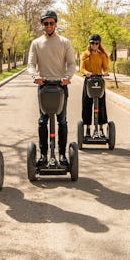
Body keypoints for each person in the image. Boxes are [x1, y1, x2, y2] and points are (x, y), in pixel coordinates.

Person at [27, 10, 78, 166]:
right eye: (45, 23)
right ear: (42, 25)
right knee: (43, 121)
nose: (48, 25)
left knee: (62, 120)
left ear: (56, 24)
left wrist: (67, 77)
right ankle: (43, 154)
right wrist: (35, 76)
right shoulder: (36, 43)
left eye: (51, 23)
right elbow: (30, 64)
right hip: (43, 87)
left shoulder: (64, 42)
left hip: (60, 86)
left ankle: (62, 155)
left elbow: (71, 64)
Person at [80, 34, 110, 133]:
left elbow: (105, 67)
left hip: (99, 81)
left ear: (99, 44)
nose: (94, 45)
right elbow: (82, 68)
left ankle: (101, 128)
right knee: (87, 104)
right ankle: (88, 128)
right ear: (89, 43)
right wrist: (86, 73)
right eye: (92, 43)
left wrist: (105, 72)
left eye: (96, 43)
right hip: (89, 81)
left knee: (101, 104)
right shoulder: (85, 54)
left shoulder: (102, 55)